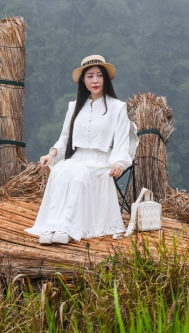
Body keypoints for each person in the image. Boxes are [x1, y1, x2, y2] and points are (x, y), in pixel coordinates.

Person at [25, 55, 139, 245]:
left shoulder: (117, 108)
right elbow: (64, 139)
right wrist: (51, 154)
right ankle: (52, 225)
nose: (95, 81)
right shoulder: (74, 107)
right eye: (90, 76)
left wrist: (119, 162)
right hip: (78, 158)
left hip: (101, 162)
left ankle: (67, 227)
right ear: (83, 80)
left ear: (105, 79)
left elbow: (121, 141)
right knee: (60, 170)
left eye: (99, 76)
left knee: (78, 174)